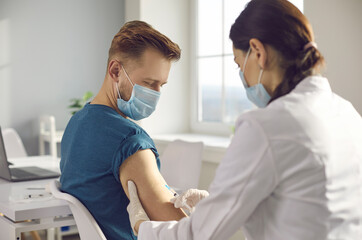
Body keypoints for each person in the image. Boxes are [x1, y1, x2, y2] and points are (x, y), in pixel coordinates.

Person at [126, 0, 362, 239]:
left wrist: (141, 226)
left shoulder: (266, 126)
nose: (243, 77)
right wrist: (217, 203)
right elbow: (305, 202)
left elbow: (197, 235)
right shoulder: (348, 114)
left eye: (239, 64)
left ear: (257, 51)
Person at [60, 20, 187, 240]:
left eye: (161, 85)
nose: (156, 94)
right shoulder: (130, 142)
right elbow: (184, 234)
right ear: (116, 70)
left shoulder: (76, 124)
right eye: (148, 83)